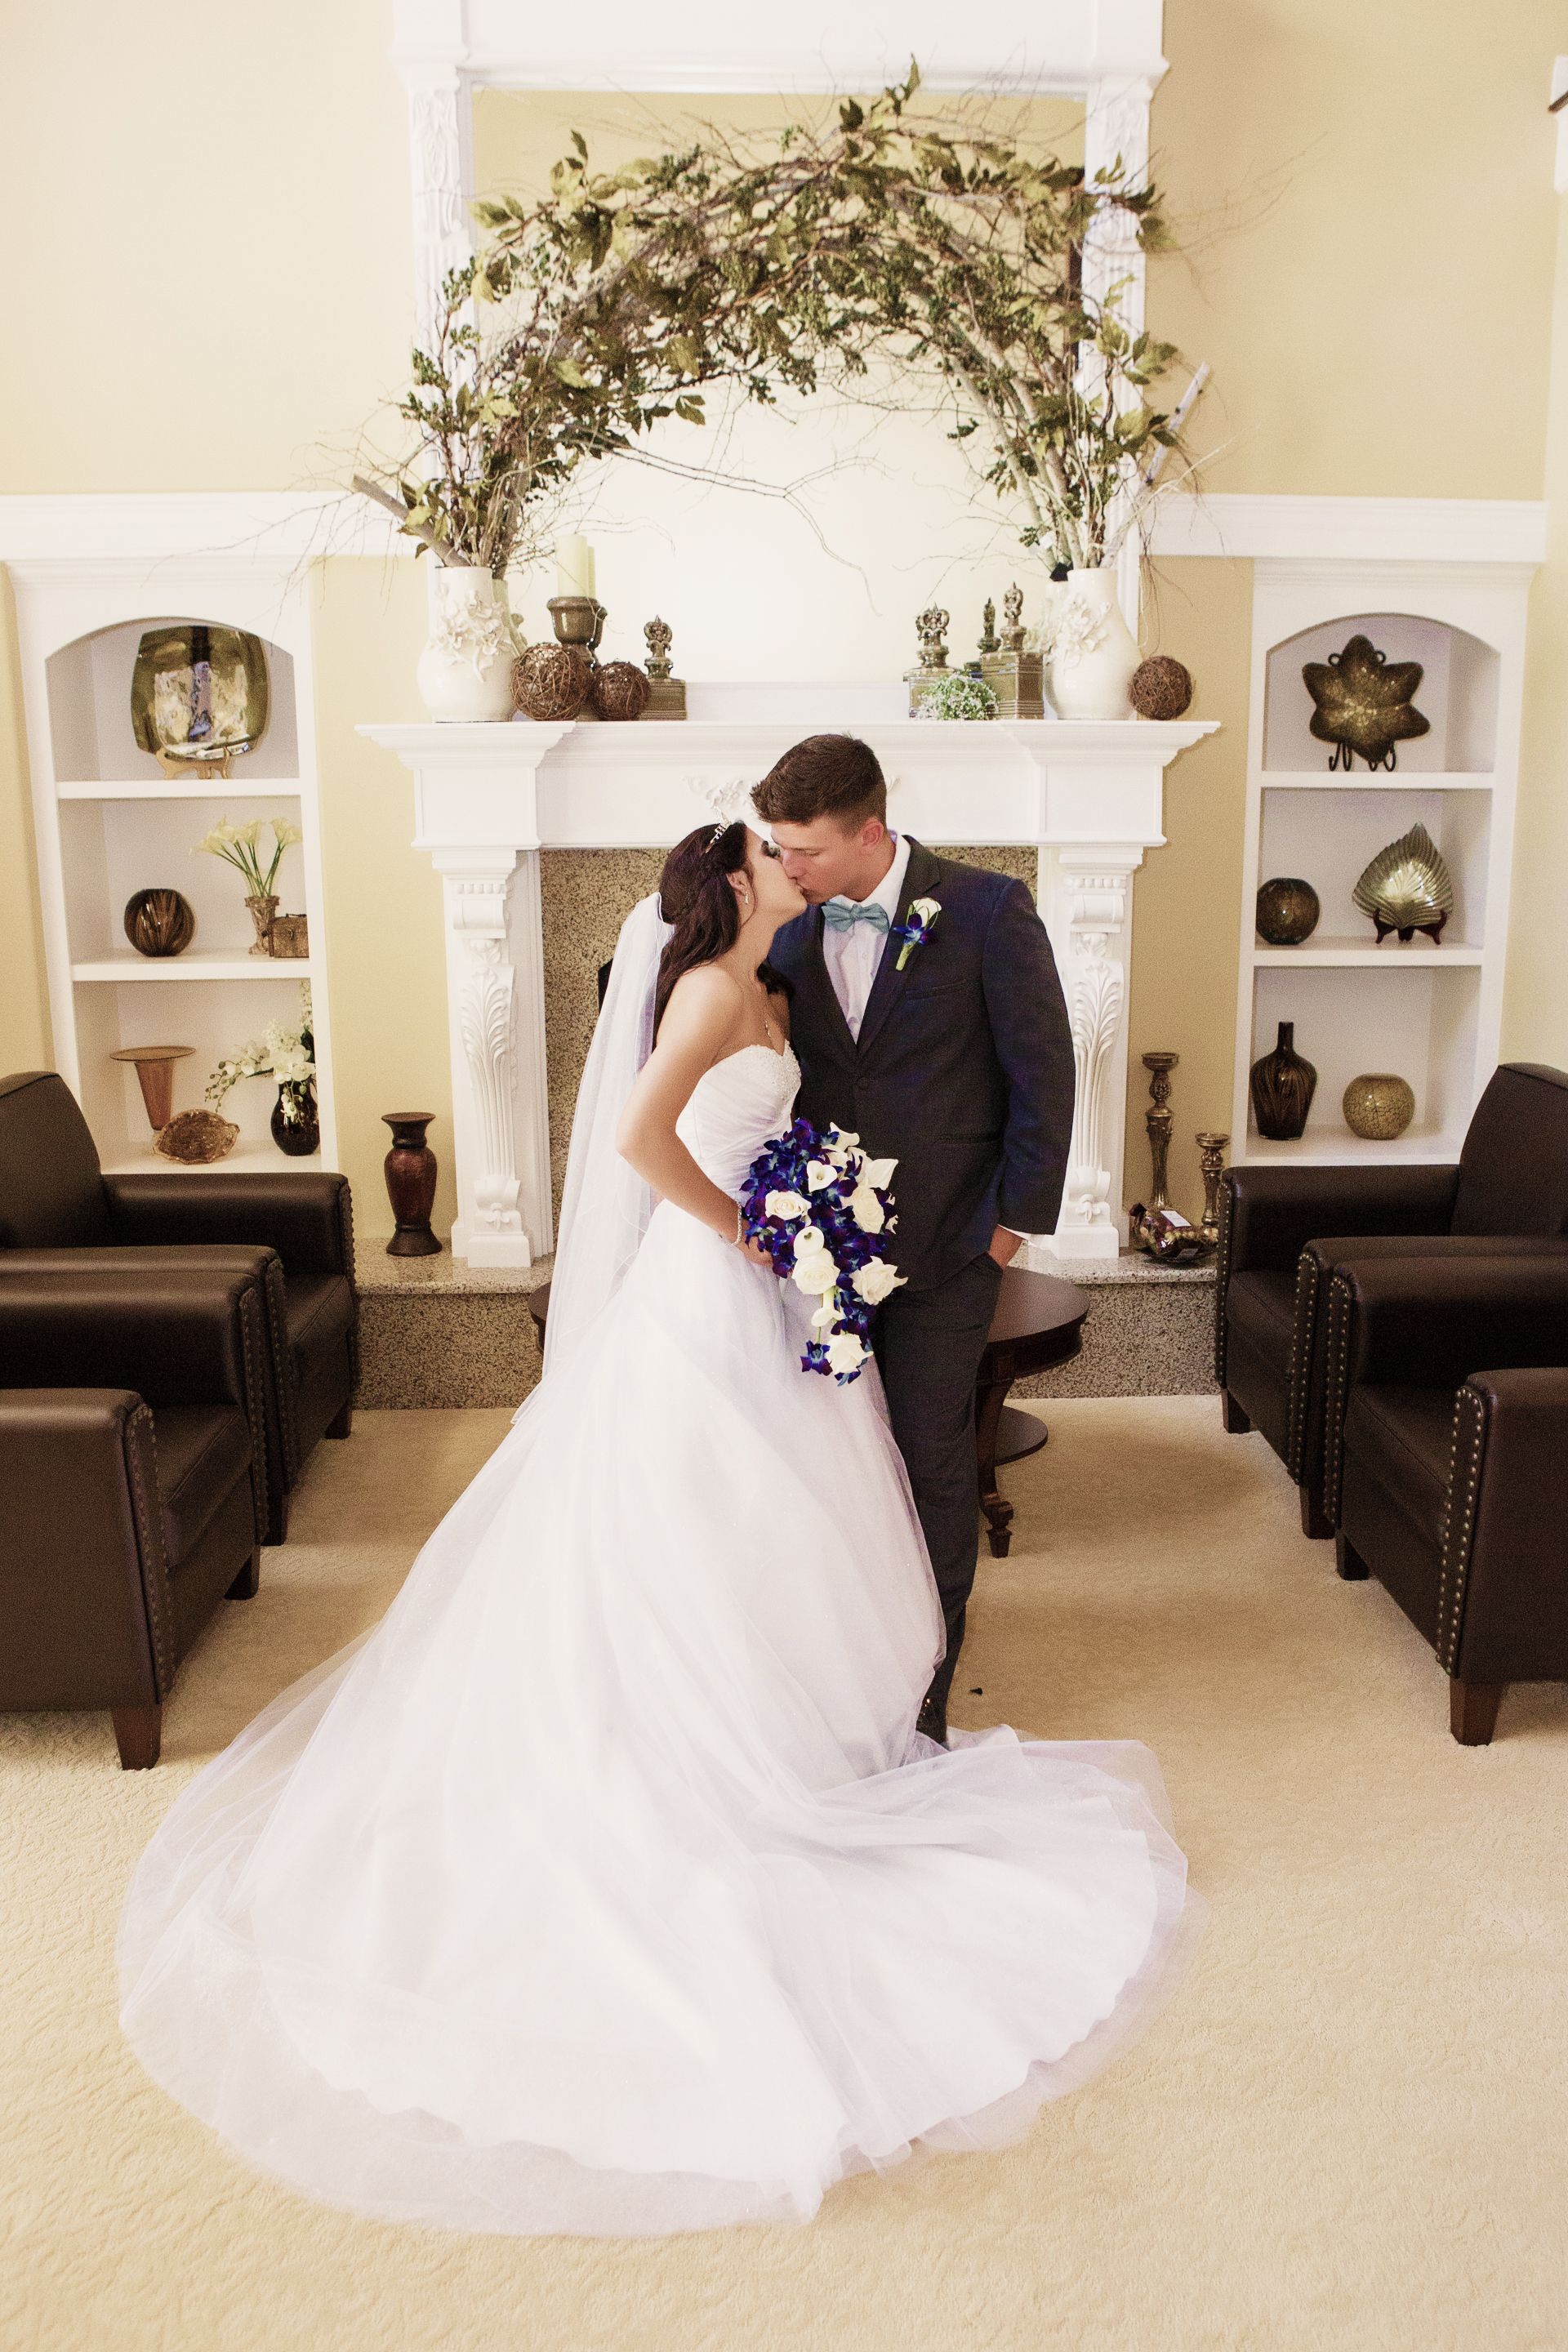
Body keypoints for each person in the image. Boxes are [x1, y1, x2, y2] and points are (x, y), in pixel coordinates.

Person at [118, 819, 1197, 2239]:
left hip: (765, 1287)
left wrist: (809, 1205)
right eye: (769, 856)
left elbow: (781, 1119)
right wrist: (750, 1230)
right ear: (734, 884)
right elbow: (639, 1141)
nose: (789, 868)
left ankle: (799, 1731)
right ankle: (696, 1759)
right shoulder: (701, 993)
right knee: (697, 1506)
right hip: (704, 1297)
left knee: (789, 1517)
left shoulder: (774, 983)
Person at [758, 734, 1074, 1741]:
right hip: (825, 1257)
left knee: (933, 1453)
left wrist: (1012, 1227)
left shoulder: (987, 909)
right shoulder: (783, 931)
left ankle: (926, 1687)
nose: (785, 865)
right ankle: (849, 1654)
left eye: (803, 848)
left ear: (872, 833)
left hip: (953, 1245)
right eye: (776, 844)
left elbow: (1045, 1071)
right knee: (840, 1461)